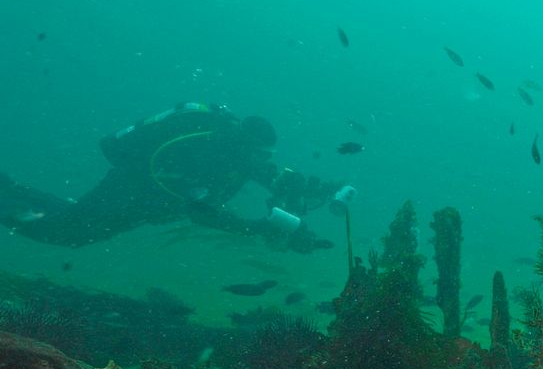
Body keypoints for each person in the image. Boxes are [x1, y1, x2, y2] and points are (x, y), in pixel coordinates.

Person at [0, 103, 348, 252]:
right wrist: (256, 228)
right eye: (260, 153)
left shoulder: (236, 152)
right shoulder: (211, 153)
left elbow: (268, 176)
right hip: (132, 189)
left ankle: (10, 189)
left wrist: (313, 189)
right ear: (246, 143)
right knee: (71, 231)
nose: (262, 161)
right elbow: (200, 211)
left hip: (141, 198)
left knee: (74, 217)